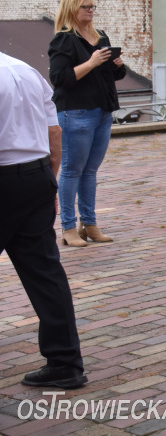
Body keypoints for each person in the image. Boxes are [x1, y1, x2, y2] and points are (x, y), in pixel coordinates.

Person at [0, 52, 88, 389]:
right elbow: (54, 133)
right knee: (46, 273)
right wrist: (47, 182)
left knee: (46, 272)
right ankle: (66, 361)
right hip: (35, 174)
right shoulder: (24, 70)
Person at [48, 0, 125, 247]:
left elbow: (113, 76)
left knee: (90, 171)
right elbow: (60, 79)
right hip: (76, 112)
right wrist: (91, 62)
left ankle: (89, 224)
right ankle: (68, 228)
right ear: (72, 9)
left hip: (103, 111)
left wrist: (117, 65)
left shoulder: (100, 36)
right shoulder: (64, 41)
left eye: (93, 6)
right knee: (71, 170)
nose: (91, 10)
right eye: (85, 7)